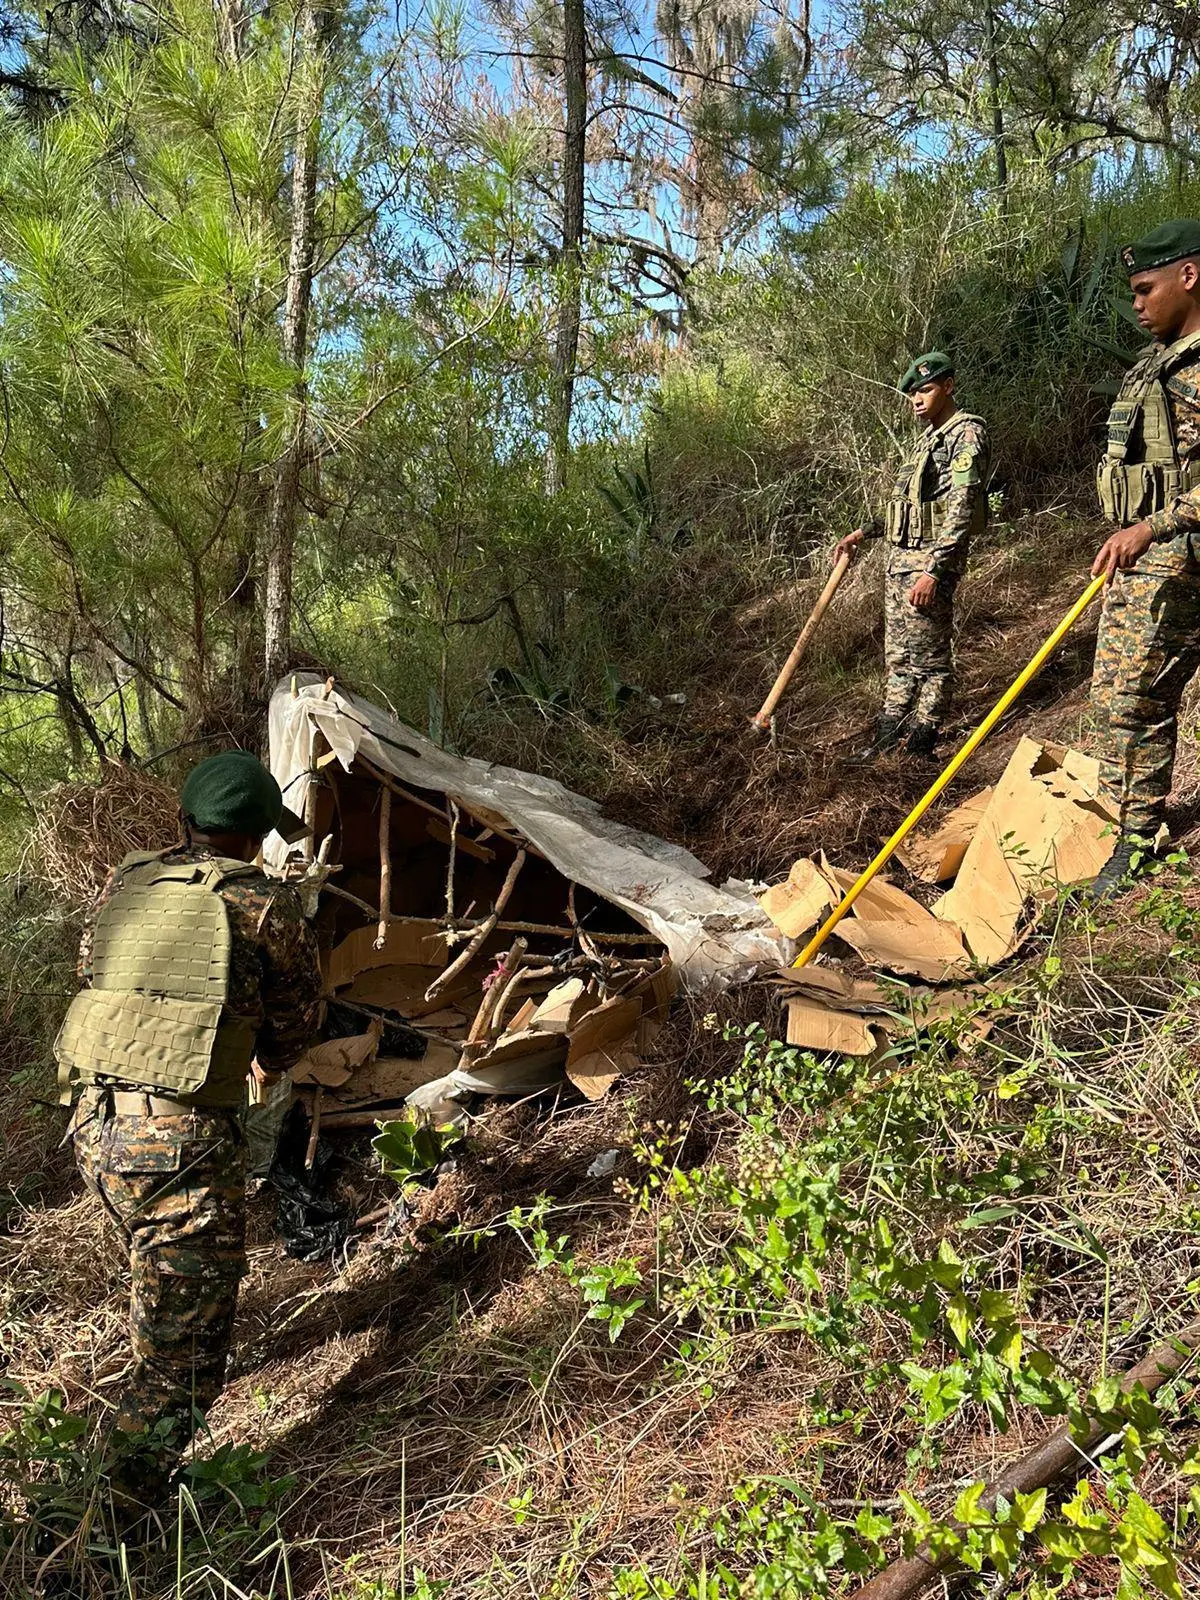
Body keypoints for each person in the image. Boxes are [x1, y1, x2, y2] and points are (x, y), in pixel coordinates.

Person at [56, 750, 322, 1511]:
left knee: (162, 1294)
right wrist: (258, 1047)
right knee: (182, 1363)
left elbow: (96, 974)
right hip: (178, 1147)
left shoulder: (126, 883)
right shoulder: (264, 904)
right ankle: (102, 1525)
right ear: (259, 837)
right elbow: (296, 1025)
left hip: (95, 1125)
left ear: (183, 820)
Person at [1088, 220, 1200, 897]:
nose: (1136, 304)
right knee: (1118, 697)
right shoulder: (1155, 364)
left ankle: (1137, 841)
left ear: (1189, 276)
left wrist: (1153, 527)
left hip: (1179, 550)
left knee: (1138, 695)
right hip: (1152, 554)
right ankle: (1127, 826)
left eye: (1145, 289)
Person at [835, 351, 991, 760]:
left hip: (926, 565)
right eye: (912, 394)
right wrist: (863, 532)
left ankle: (922, 744)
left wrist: (934, 572)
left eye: (925, 390)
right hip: (901, 564)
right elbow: (906, 507)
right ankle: (888, 739)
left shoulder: (966, 434)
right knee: (900, 658)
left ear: (948, 387)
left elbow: (960, 507)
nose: (916, 400)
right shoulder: (927, 441)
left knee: (931, 661)